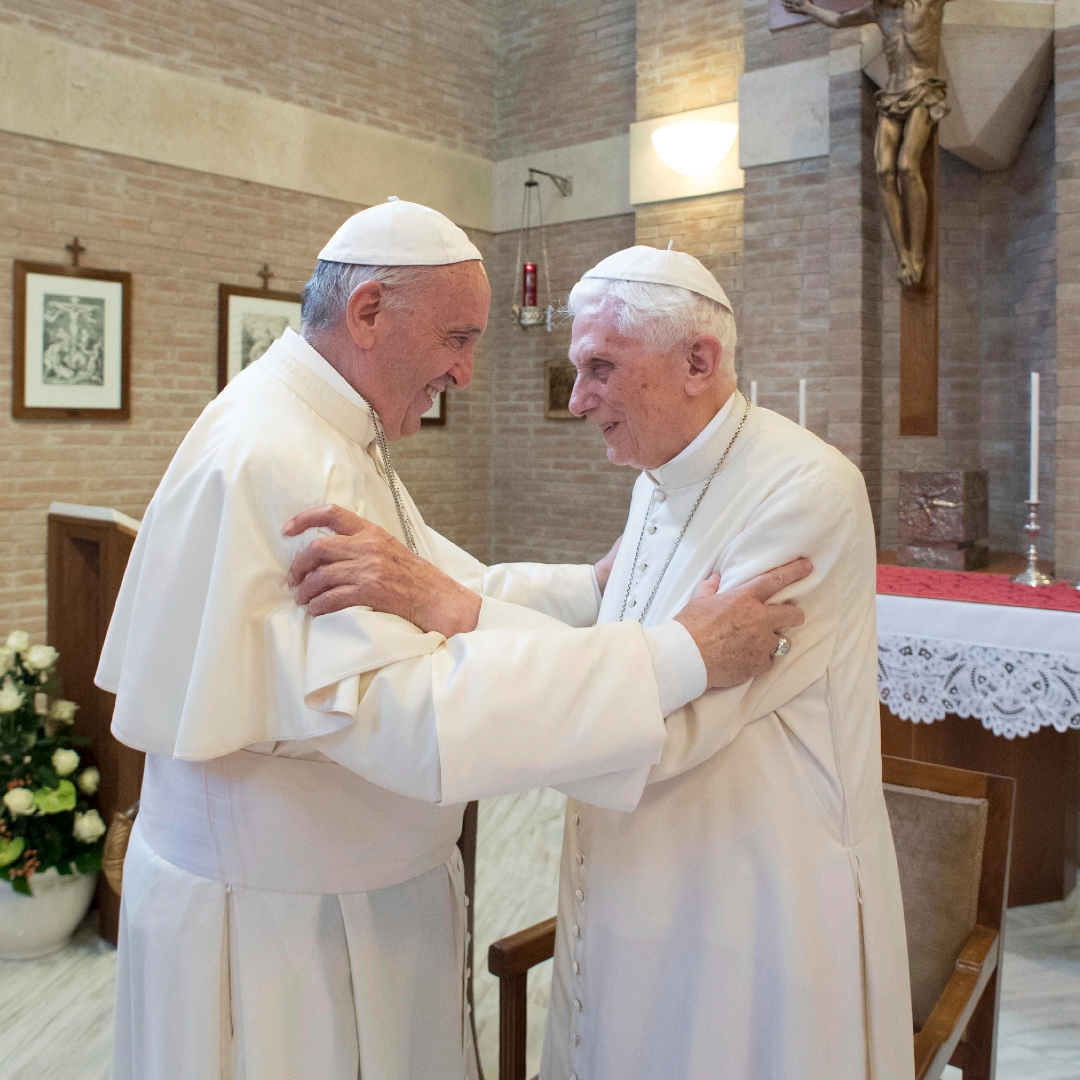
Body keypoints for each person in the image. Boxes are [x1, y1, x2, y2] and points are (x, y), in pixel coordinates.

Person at [95, 203, 808, 1080]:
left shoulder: (313, 426)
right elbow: (410, 716)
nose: (467, 373)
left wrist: (582, 592)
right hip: (288, 928)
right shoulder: (285, 456)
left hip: (326, 894)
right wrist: (679, 657)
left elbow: (427, 585)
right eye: (457, 338)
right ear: (366, 315)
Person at [296, 245, 915, 1080]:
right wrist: (444, 589)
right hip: (640, 873)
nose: (580, 399)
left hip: (752, 892)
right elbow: (618, 619)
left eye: (600, 369)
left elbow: (673, 722)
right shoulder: (661, 475)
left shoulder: (803, 491)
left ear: (698, 361)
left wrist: (455, 611)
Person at [782, 0, 950, 288]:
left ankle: (918, 256)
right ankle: (904, 255)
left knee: (907, 165)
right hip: (892, 96)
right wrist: (809, 8)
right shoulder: (878, 10)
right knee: (884, 171)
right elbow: (838, 20)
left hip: (923, 90)